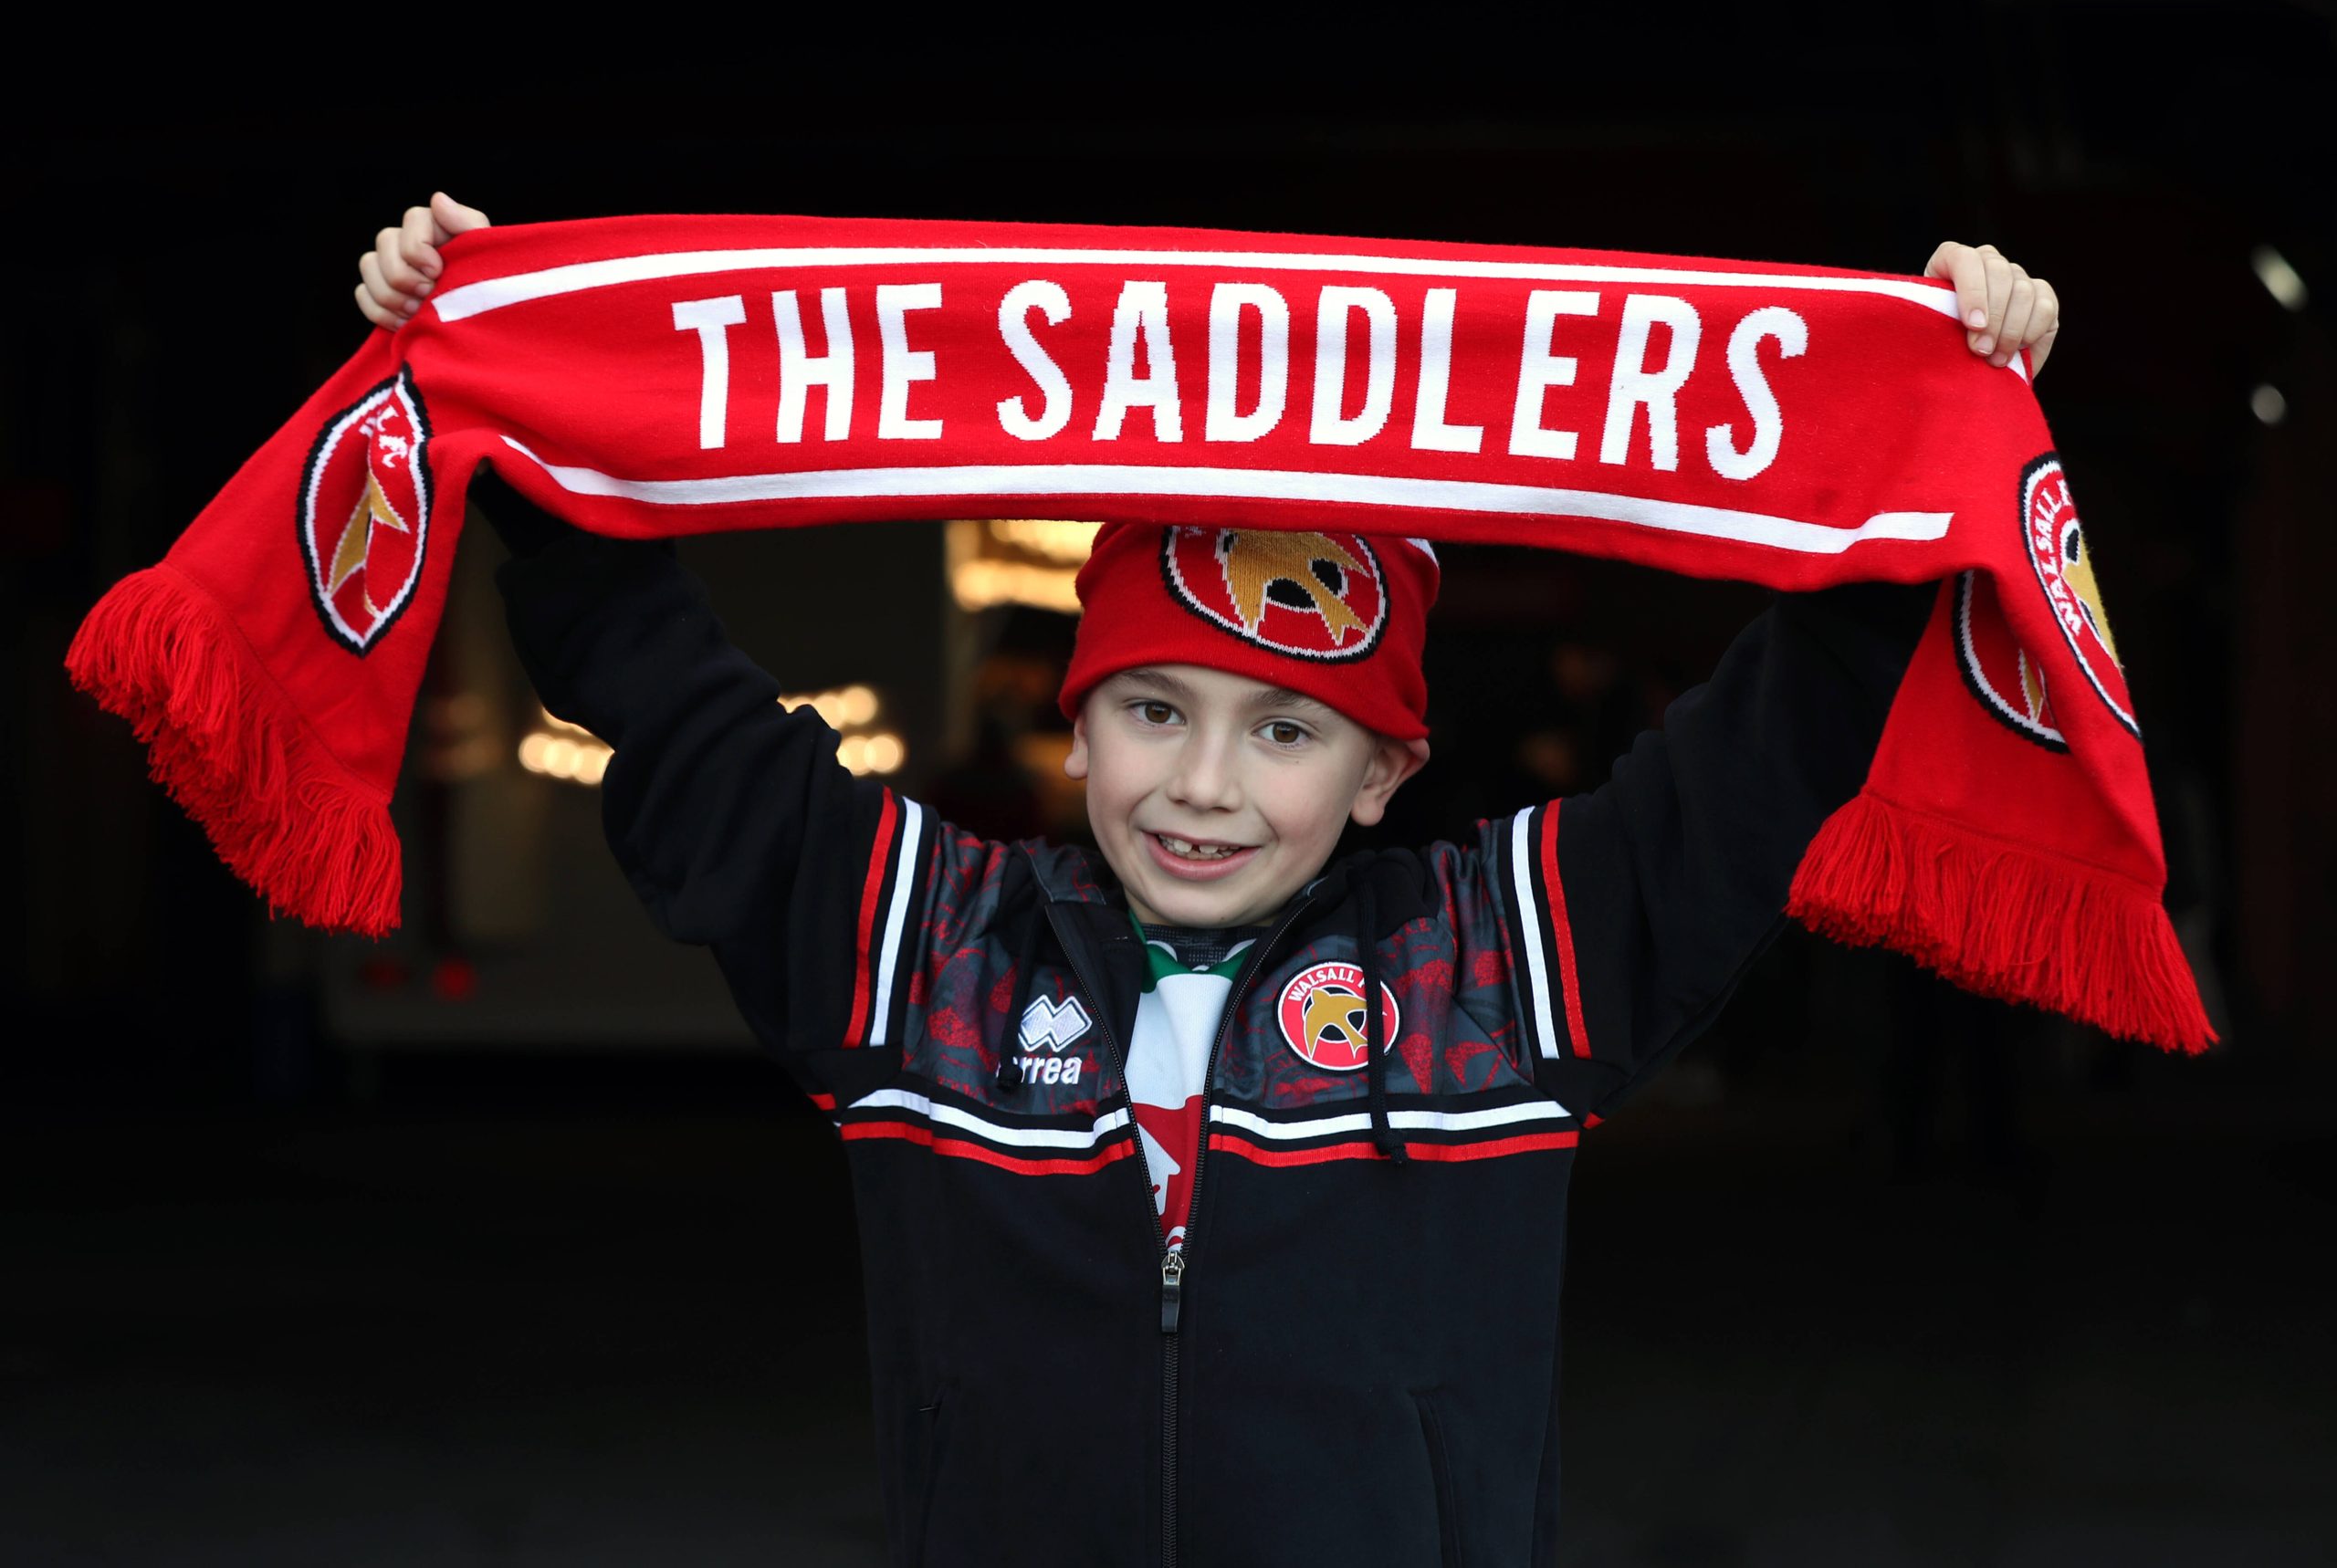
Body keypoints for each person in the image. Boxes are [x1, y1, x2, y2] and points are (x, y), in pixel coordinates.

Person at [357, 194, 2063, 1567]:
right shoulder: (922, 948)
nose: (1202, 785)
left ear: (1388, 771)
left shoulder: (1502, 965)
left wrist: (1938, 398)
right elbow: (673, 703)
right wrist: (495, 355)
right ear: (1074, 724)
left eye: (1286, 732)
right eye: (1154, 710)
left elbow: (1760, 755)